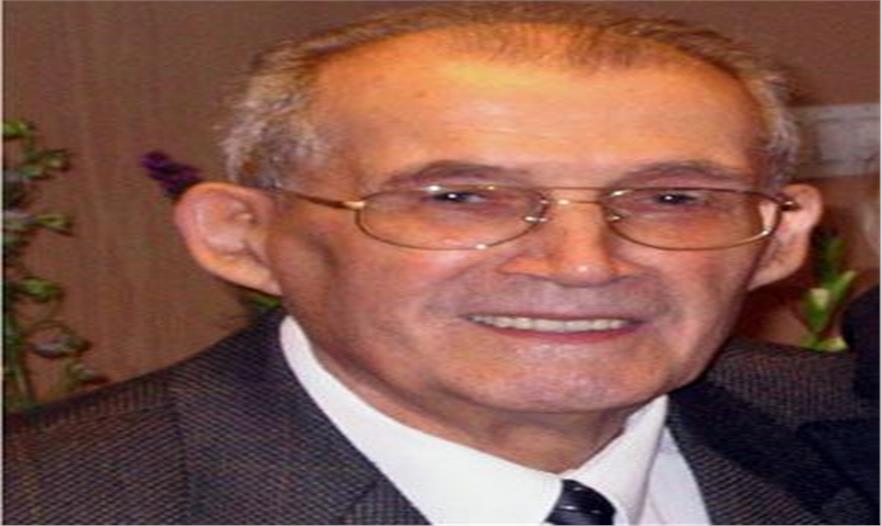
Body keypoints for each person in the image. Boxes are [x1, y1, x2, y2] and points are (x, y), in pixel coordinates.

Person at [5, 3, 877, 524]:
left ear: (778, 237)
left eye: (674, 198)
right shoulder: (50, 501)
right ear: (243, 237)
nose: (582, 264)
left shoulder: (856, 436)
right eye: (458, 197)